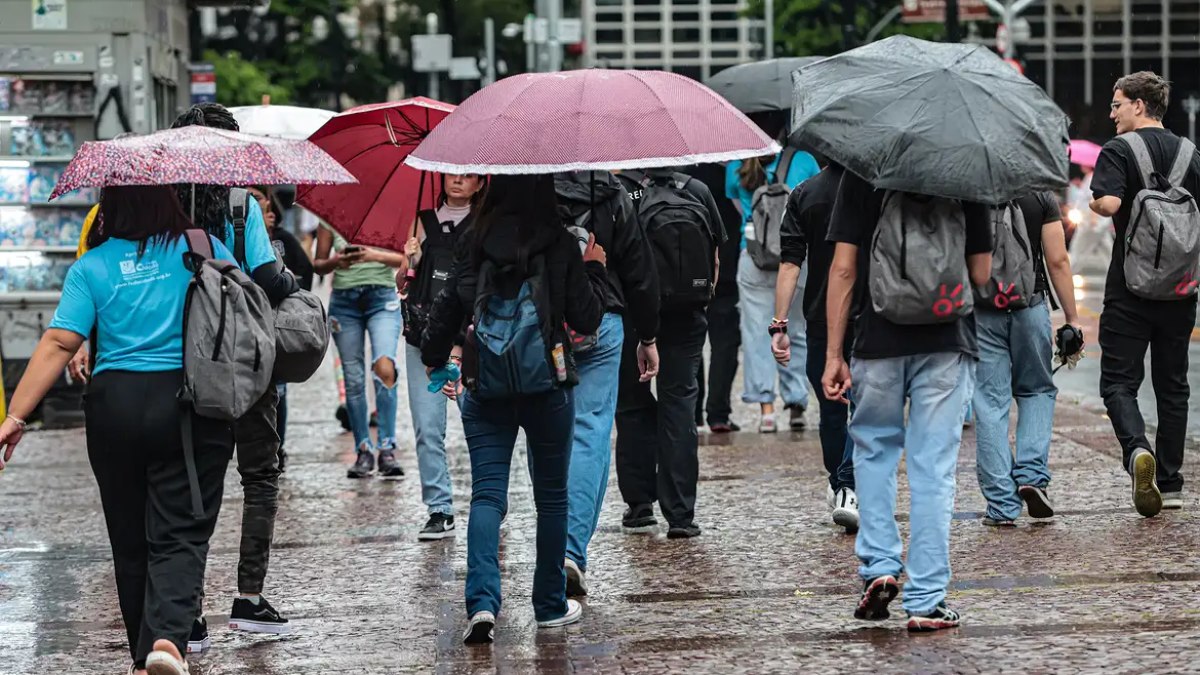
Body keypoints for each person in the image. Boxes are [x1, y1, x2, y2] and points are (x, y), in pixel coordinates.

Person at [0, 186, 237, 675]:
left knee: (129, 539)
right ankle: (168, 642)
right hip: (187, 403)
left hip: (114, 408)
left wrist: (15, 417)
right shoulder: (202, 247)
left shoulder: (92, 265)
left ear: (108, 209)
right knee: (182, 529)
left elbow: (60, 342)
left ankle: (140, 657)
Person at [420, 174, 609, 644]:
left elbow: (446, 312)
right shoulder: (560, 243)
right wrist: (595, 268)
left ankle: (482, 604)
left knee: (487, 495)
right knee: (551, 497)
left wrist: (434, 354)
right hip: (547, 383)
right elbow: (587, 318)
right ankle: (548, 606)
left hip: (486, 384)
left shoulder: (473, 240)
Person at [824, 172, 992, 632]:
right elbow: (980, 274)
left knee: (874, 454)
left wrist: (834, 354)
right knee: (933, 469)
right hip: (947, 339)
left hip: (877, 340)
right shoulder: (965, 174)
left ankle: (879, 566)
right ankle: (927, 600)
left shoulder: (863, 173)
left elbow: (843, 268)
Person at [172, 104, 299, 642]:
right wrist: (289, 279)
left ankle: (189, 609)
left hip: (184, 363)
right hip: (246, 364)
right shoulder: (243, 206)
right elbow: (270, 281)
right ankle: (248, 598)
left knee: (191, 485)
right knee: (260, 477)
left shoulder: (161, 208)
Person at [1090, 71, 1200, 517]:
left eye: (1117, 104)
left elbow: (1111, 205)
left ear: (1138, 105)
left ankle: (1137, 450)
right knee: (1173, 385)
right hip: (1180, 288)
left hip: (1129, 289)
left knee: (1119, 381)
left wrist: (1096, 203)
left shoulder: (1118, 150)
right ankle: (1170, 483)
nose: (1111, 113)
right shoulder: (1191, 154)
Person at [554, 170, 660, 595]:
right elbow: (639, 269)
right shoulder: (612, 191)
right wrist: (648, 336)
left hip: (543, 321)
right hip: (603, 318)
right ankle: (571, 549)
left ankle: (556, 546)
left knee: (549, 434)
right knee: (591, 432)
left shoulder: (526, 183)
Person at [615, 166, 727, 538]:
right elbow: (714, 259)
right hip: (687, 314)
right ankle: (680, 514)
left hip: (633, 313)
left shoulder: (621, 190)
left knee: (632, 403)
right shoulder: (697, 189)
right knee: (679, 404)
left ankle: (639, 505)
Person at [972, 194, 1082, 526]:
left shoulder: (971, 190)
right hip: (1030, 306)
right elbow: (1058, 260)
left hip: (982, 310)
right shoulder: (1039, 196)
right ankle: (1032, 476)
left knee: (990, 404)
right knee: (1036, 391)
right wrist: (1072, 318)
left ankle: (1002, 505)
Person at [771, 162, 858, 531]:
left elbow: (790, 264)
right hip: (869, 311)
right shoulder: (872, 189)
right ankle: (848, 485)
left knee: (832, 407)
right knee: (866, 403)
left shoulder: (804, 193)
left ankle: (842, 483)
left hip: (822, 314)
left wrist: (779, 324)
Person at [400, 173, 485, 540]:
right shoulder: (423, 220)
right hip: (423, 338)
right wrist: (409, 262)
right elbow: (404, 283)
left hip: (471, 342)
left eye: (467, 176)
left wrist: (461, 345)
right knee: (427, 427)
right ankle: (439, 508)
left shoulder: (485, 225)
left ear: (480, 183)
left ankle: (489, 500)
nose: (458, 181)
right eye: (453, 174)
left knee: (480, 426)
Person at [726, 149, 820, 432]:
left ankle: (766, 410)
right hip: (795, 257)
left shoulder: (735, 164)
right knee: (795, 331)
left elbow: (740, 209)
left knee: (757, 333)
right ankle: (797, 402)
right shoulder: (804, 160)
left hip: (753, 256)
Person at [313, 222, 409, 479]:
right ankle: (363, 450)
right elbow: (318, 263)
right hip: (344, 303)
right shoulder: (330, 217)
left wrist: (373, 255)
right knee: (354, 379)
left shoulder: (387, 213)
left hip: (382, 298)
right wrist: (336, 261)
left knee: (385, 366)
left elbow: (406, 258)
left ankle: (387, 448)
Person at [248, 185, 315, 474]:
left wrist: (295, 304)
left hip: (272, 323)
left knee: (278, 390)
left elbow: (306, 270)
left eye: (257, 198)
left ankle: (276, 447)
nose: (251, 202)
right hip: (246, 323)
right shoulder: (237, 231)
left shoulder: (281, 239)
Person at [683, 163, 745, 432]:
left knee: (690, 344)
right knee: (725, 345)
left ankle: (692, 411)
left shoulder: (683, 181)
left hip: (689, 273)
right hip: (728, 271)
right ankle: (718, 413)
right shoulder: (733, 176)